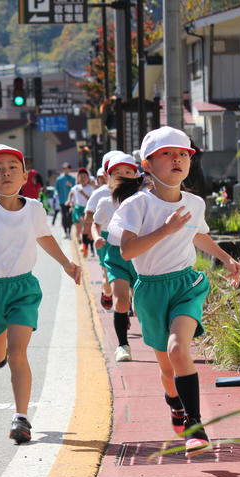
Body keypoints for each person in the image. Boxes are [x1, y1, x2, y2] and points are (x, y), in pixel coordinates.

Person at [110, 126, 240, 457]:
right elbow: (127, 251)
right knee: (167, 372)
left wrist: (226, 258)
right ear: (148, 165)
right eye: (167, 154)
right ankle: (175, 404)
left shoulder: (195, 203)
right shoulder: (136, 205)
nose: (177, 159)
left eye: (183, 154)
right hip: (150, 291)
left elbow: (197, 235)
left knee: (178, 350)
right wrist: (165, 230)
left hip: (185, 285)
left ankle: (196, 428)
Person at [0, 144, 81, 444]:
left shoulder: (34, 208)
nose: (5, 173)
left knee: (17, 352)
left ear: (24, 176)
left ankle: (20, 418)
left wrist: (66, 263)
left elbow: (45, 237)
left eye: (12, 167)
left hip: (24, 288)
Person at [92, 153, 142, 362]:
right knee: (121, 300)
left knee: (141, 305)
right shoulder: (105, 202)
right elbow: (96, 224)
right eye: (117, 173)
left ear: (136, 175)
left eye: (128, 172)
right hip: (116, 255)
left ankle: (157, 336)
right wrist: (96, 238)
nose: (122, 176)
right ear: (108, 177)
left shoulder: (144, 198)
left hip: (142, 255)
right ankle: (122, 346)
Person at [85, 151, 123, 309]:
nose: (121, 175)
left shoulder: (135, 192)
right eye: (116, 171)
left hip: (128, 235)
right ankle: (107, 294)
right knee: (107, 275)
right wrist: (99, 224)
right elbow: (88, 216)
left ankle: (125, 308)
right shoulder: (100, 193)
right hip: (106, 237)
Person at [67, 168, 95, 257]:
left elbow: (91, 199)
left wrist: (83, 193)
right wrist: (69, 201)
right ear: (78, 178)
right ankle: (80, 243)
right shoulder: (76, 187)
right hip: (78, 209)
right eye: (80, 177)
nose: (82, 178)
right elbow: (71, 193)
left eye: (84, 177)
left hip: (87, 210)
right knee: (79, 229)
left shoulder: (90, 188)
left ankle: (84, 246)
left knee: (85, 229)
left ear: (88, 178)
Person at [54, 162, 75, 237]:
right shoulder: (59, 179)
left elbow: (75, 188)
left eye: (67, 168)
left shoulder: (72, 179)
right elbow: (56, 189)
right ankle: (65, 231)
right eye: (64, 168)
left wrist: (71, 185)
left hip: (70, 201)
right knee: (64, 217)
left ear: (70, 169)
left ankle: (69, 230)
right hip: (62, 201)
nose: (66, 170)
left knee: (69, 216)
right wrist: (56, 193)